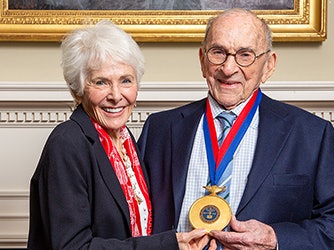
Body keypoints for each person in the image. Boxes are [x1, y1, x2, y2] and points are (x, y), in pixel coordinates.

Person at [138, 8, 334, 249]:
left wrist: (276, 239)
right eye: (218, 52)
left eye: (245, 55)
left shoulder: (311, 134)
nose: (229, 68)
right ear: (202, 60)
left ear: (269, 66)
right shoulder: (159, 129)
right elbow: (133, 218)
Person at [27, 20, 209, 249]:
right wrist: (166, 245)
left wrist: (178, 241)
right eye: (101, 82)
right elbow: (73, 247)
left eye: (126, 80)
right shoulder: (67, 144)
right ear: (78, 89)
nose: (116, 95)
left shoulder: (124, 138)